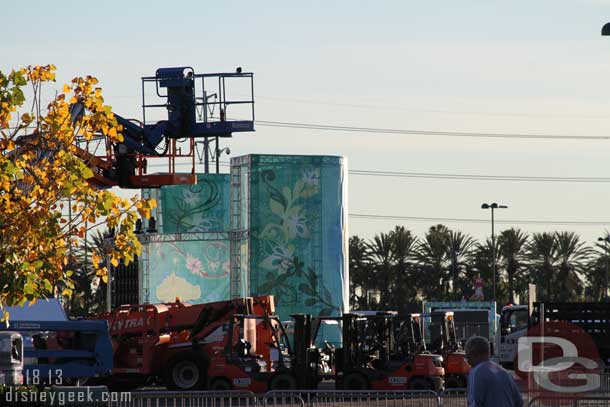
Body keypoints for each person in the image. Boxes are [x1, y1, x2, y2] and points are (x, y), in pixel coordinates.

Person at [465, 336, 523, 407]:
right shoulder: (506, 373)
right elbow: (519, 402)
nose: (468, 362)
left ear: (474, 354)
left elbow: (474, 404)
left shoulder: (476, 372)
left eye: (467, 357)